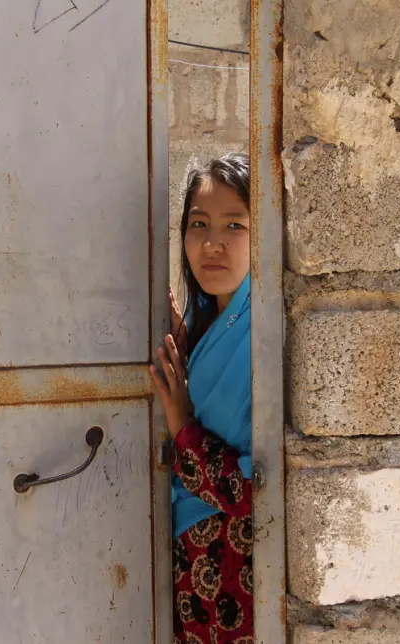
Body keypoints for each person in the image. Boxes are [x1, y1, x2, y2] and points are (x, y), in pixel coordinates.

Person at [151, 152, 253, 644]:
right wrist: (182, 346)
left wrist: (183, 426)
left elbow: (260, 491)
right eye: (198, 224)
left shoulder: (265, 339)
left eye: (235, 225)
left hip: (242, 582)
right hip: (194, 585)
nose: (212, 243)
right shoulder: (206, 327)